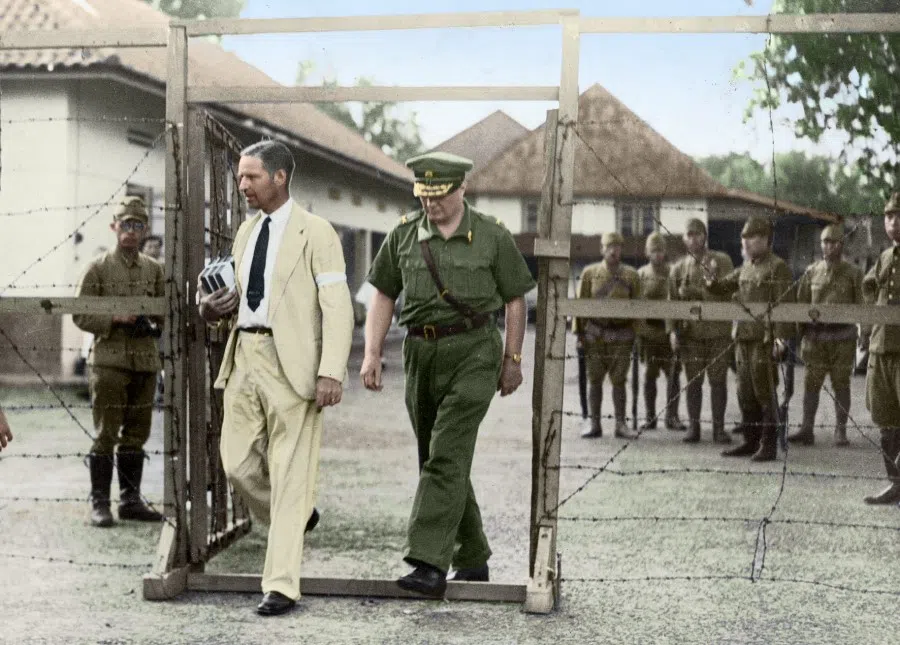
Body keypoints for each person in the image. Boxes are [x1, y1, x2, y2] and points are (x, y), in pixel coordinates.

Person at [360, 151, 535, 598]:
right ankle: (472, 557)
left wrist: (512, 360)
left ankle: (428, 563)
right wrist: (372, 352)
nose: (430, 205)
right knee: (437, 456)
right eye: (423, 195)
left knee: (445, 452)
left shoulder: (492, 236)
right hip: (420, 351)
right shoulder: (403, 234)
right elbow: (382, 294)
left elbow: (516, 299)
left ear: (462, 189)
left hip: (475, 350)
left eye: (439, 196)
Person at [198, 140, 354, 616]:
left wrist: (331, 370)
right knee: (236, 464)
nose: (242, 185)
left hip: (295, 366)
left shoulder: (318, 232)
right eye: (241, 177)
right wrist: (210, 307)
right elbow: (236, 294)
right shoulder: (245, 232)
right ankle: (298, 514)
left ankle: (281, 585)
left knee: (291, 472)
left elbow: (337, 305)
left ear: (280, 177)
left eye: (251, 177)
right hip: (244, 355)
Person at [73, 197, 166, 527]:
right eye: (125, 224)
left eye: (138, 225)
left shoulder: (155, 270)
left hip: (144, 360)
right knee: (106, 433)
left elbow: (165, 313)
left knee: (137, 433)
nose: (131, 231)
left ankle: (130, 500)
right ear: (114, 227)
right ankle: (100, 503)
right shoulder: (98, 268)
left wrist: (151, 319)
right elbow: (80, 314)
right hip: (110, 360)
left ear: (145, 230)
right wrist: (115, 318)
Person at [705, 215, 796, 462]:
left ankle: (768, 445)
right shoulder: (746, 267)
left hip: (763, 340)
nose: (745, 242)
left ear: (765, 239)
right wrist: (711, 281)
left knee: (764, 392)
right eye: (743, 237)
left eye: (751, 238)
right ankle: (750, 440)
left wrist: (781, 340)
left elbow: (785, 307)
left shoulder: (777, 267)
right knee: (744, 392)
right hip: (743, 338)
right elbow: (723, 287)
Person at [790, 224, 864, 447]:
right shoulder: (811, 271)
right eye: (825, 242)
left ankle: (840, 430)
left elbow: (862, 305)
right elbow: (802, 304)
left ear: (842, 244)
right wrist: (798, 333)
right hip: (815, 339)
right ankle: (807, 428)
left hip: (842, 338)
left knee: (841, 385)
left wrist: (864, 333)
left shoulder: (853, 273)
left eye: (834, 242)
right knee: (811, 385)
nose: (829, 246)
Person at [667, 218, 735, 444]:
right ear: (684, 239)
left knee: (718, 381)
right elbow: (672, 303)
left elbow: (727, 292)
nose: (693, 238)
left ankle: (718, 429)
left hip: (717, 332)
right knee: (693, 381)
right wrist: (672, 332)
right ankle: (694, 428)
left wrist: (695, 292)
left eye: (698, 234)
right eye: (689, 234)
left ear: (705, 236)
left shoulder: (721, 261)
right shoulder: (678, 269)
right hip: (691, 335)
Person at [573, 232, 640, 440]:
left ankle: (620, 424)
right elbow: (579, 304)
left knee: (619, 380)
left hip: (622, 335)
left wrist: (637, 335)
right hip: (595, 335)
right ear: (602, 249)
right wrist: (579, 333)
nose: (613, 250)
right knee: (594, 380)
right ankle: (594, 423)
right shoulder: (589, 273)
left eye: (617, 247)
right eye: (609, 246)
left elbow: (639, 307)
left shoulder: (631, 275)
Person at [860, 192, 900, 505]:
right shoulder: (885, 257)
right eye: (889, 217)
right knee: (885, 418)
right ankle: (895, 484)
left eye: (899, 216)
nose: (894, 223)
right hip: (881, 347)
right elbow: (870, 287)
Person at [636, 232, 685, 431]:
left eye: (661, 250)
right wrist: (641, 333)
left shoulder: (674, 272)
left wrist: (676, 330)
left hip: (670, 333)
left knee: (673, 376)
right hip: (650, 333)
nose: (658, 254)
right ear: (647, 252)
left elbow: (679, 302)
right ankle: (650, 416)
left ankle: (672, 416)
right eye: (654, 250)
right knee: (649, 376)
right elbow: (637, 305)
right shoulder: (641, 274)